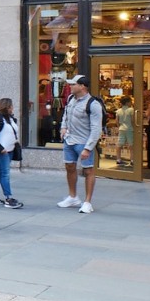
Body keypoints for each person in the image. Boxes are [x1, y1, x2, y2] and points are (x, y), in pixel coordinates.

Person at [58, 75, 104, 214]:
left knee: (88, 171)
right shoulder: (71, 98)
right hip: (69, 140)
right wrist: (63, 127)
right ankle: (73, 197)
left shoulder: (93, 104)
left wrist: (88, 148)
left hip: (83, 141)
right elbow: (66, 114)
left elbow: (96, 129)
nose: (70, 86)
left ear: (82, 86)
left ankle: (87, 202)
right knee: (69, 167)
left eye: (73, 84)